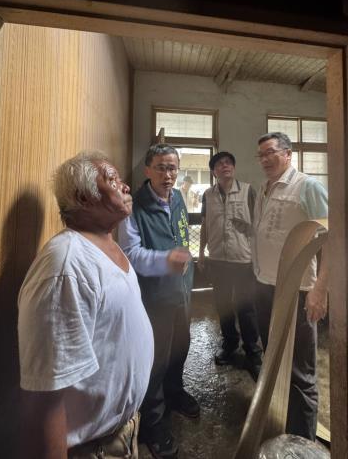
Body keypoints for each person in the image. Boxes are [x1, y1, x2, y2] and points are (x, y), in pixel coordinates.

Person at [17, 151, 154, 459]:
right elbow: (44, 399)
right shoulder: (65, 267)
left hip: (119, 434)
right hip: (90, 450)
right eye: (112, 179)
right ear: (83, 197)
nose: (125, 186)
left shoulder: (104, 242)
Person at [118, 144, 198, 459]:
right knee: (155, 360)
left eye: (173, 168)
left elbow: (182, 234)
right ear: (147, 170)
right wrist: (167, 260)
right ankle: (152, 422)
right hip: (154, 296)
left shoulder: (177, 198)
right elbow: (130, 254)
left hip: (182, 290)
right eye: (162, 168)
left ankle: (175, 393)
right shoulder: (133, 208)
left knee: (181, 347)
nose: (168, 175)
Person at [252, 132, 328, 441]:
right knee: (273, 360)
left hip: (297, 290)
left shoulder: (307, 186)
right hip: (264, 286)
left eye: (271, 152)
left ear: (288, 154)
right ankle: (280, 426)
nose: (265, 159)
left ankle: (302, 443)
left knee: (300, 372)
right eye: (261, 155)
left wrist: (320, 289)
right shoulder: (265, 187)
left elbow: (334, 238)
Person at [198, 151, 263, 381]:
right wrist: (201, 253)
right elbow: (205, 225)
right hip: (217, 260)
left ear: (233, 168)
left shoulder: (248, 191)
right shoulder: (208, 195)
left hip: (243, 260)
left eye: (228, 163)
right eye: (219, 164)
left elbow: (258, 225)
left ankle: (253, 353)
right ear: (213, 171)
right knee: (223, 305)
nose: (225, 166)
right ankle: (230, 344)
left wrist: (258, 256)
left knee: (246, 308)